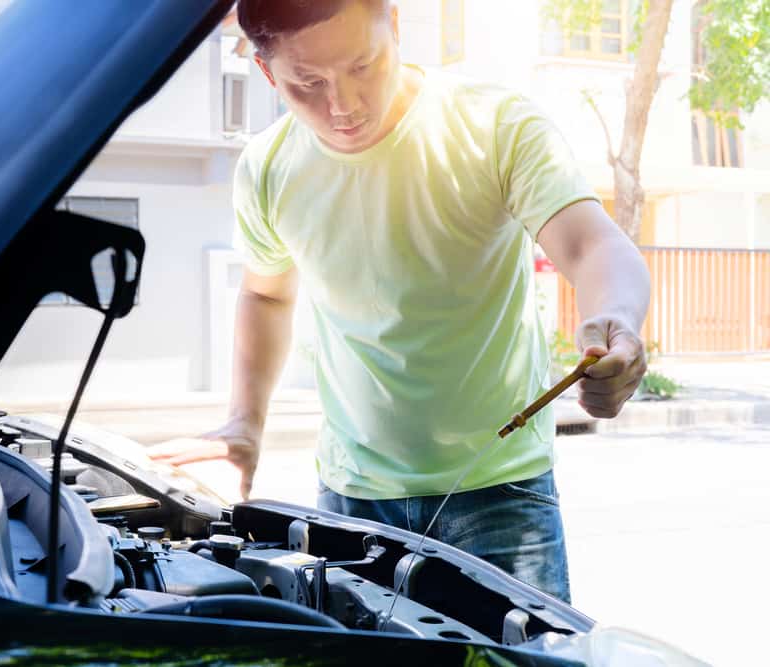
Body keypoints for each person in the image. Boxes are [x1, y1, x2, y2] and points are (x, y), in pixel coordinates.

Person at [148, 0, 650, 602]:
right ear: (266, 74)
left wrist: (617, 317)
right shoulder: (269, 168)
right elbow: (264, 293)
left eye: (363, 65)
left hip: (502, 497)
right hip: (350, 498)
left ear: (394, 22)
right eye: (307, 84)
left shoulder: (494, 124)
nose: (343, 105)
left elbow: (592, 242)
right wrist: (243, 425)